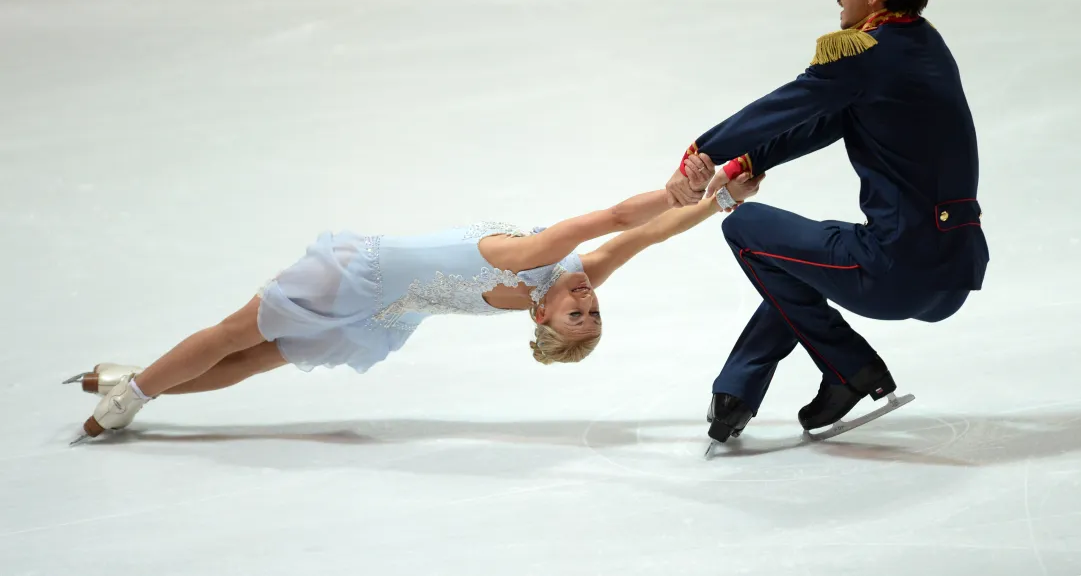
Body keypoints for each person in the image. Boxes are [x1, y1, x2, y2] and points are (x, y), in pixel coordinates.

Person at [68, 172, 764, 443]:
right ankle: (134, 391)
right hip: (357, 277)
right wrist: (709, 199)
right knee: (230, 335)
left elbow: (620, 215)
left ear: (538, 318)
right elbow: (633, 225)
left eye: (577, 315)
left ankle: (142, 380)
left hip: (384, 308)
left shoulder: (532, 271)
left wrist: (685, 195)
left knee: (255, 361)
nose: (587, 302)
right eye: (592, 312)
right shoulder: (562, 266)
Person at [665, 0, 989, 445]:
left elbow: (789, 104)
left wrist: (703, 152)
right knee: (796, 262)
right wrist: (754, 158)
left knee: (746, 226)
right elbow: (830, 120)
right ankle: (737, 392)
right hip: (955, 272)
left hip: (897, 269)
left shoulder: (865, 53)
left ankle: (851, 367)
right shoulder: (921, 44)